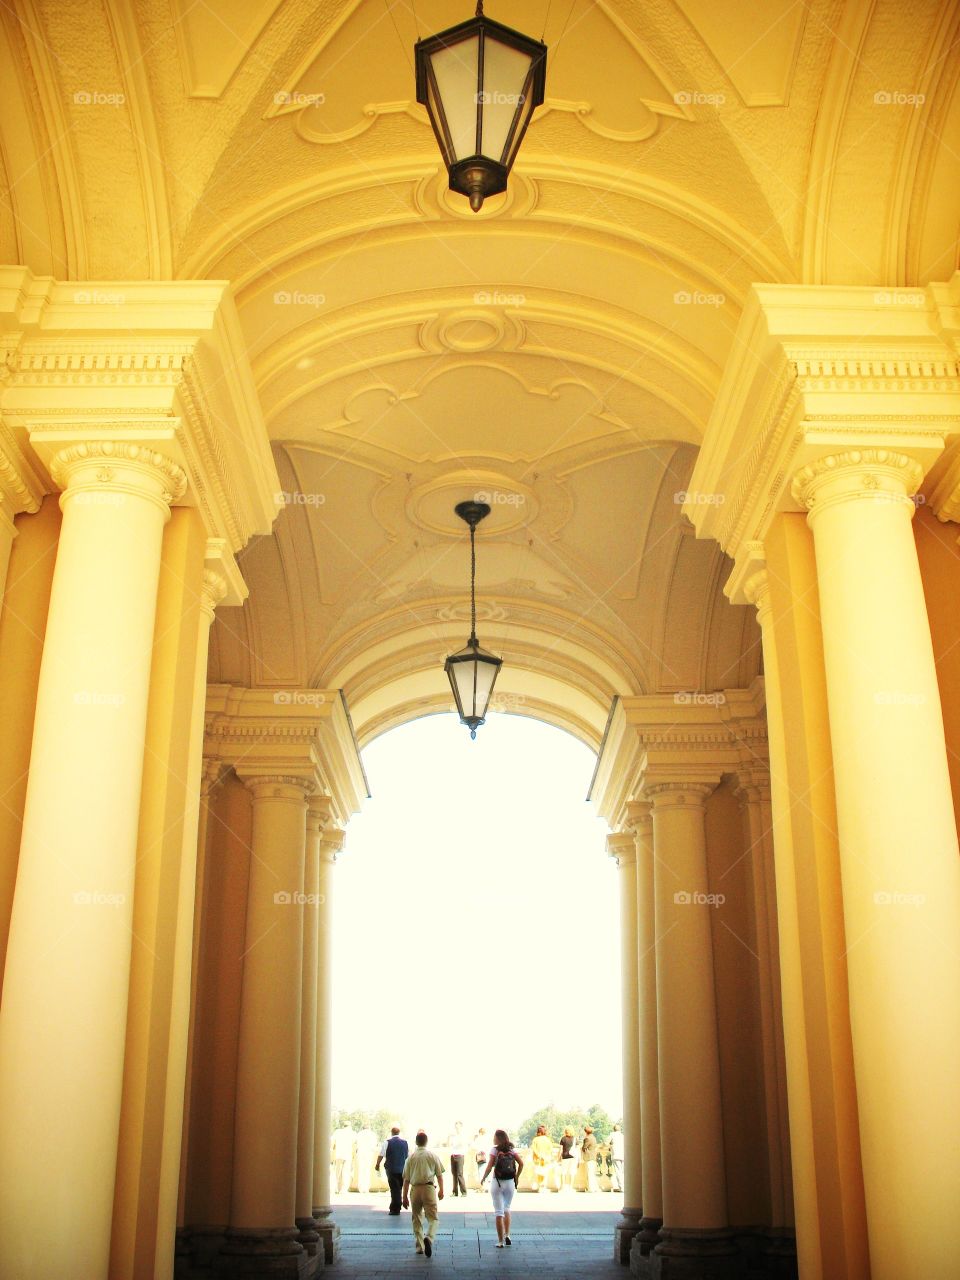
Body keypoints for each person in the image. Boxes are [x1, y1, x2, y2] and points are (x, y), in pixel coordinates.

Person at [401, 1130, 445, 1257]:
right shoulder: (432, 1156)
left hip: (415, 1189)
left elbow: (406, 1180)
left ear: (416, 1142)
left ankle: (420, 1246)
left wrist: (404, 1197)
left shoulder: (410, 1158)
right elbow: (440, 1175)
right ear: (426, 1142)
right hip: (429, 1188)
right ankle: (429, 1238)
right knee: (433, 1218)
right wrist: (441, 1190)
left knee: (416, 1219)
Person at [480, 1129, 524, 1247]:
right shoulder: (512, 1150)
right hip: (510, 1182)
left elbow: (489, 1166)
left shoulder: (494, 1150)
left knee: (499, 1212)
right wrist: (517, 1177)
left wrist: (483, 1177)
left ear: (498, 1139)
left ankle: (500, 1241)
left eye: (494, 1137)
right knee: (507, 1208)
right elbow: (521, 1163)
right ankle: (507, 1235)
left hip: (497, 1182)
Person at [376, 1126, 408, 1215]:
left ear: (391, 1133)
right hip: (402, 1169)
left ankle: (395, 1208)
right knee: (399, 1188)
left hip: (391, 1169)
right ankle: (397, 1204)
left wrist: (377, 1164)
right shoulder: (405, 1143)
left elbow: (381, 1154)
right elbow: (408, 1156)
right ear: (399, 1133)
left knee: (394, 1188)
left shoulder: (387, 1142)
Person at [331, 1122, 355, 1194]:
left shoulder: (337, 1132)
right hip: (348, 1155)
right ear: (350, 1126)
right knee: (346, 1172)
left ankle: (335, 1188)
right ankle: (343, 1190)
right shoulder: (352, 1133)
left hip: (339, 1154)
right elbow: (354, 1144)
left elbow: (332, 1143)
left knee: (337, 1172)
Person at [355, 1122, 379, 1194]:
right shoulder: (373, 1134)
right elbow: (375, 1145)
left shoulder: (359, 1134)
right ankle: (366, 1188)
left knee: (361, 1170)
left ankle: (361, 1188)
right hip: (369, 1153)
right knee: (367, 1170)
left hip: (361, 1152)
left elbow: (356, 1144)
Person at [530, 1124, 553, 1192]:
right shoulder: (548, 1140)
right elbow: (550, 1150)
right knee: (544, 1173)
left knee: (539, 1173)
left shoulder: (535, 1139)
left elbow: (534, 1149)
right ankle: (543, 1186)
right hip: (546, 1159)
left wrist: (539, 1155)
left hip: (537, 1159)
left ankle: (540, 1186)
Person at [447, 1120, 468, 1197]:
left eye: (458, 1126)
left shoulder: (463, 1136)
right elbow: (449, 1144)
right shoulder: (453, 1136)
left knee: (459, 1174)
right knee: (454, 1174)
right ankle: (454, 1192)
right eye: (456, 1126)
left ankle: (464, 1191)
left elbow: (461, 1145)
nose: (457, 1128)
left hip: (460, 1155)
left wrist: (455, 1143)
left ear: (461, 1127)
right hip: (453, 1155)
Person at [581, 1125, 599, 1192]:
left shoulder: (587, 1138)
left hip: (589, 1157)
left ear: (586, 1131)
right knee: (592, 1173)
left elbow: (584, 1147)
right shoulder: (594, 1138)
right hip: (593, 1157)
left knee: (590, 1173)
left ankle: (591, 1188)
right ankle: (594, 1188)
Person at [559, 1126, 576, 1190]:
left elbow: (560, 1150)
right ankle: (571, 1186)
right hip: (573, 1157)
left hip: (565, 1157)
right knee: (572, 1172)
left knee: (563, 1172)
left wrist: (558, 1157)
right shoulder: (574, 1139)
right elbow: (577, 1149)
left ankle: (563, 1186)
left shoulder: (563, 1139)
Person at [609, 1123, 624, 1192]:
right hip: (623, 1155)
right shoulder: (622, 1136)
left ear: (613, 1129)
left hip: (616, 1155)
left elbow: (606, 1142)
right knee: (623, 1172)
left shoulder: (612, 1135)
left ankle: (622, 1187)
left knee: (618, 1171)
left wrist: (610, 1146)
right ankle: (625, 1186)